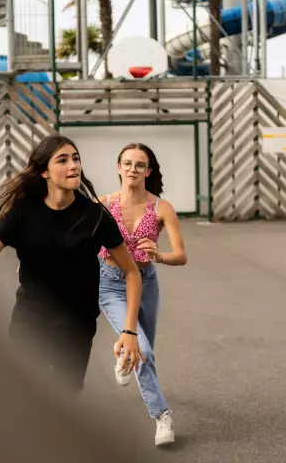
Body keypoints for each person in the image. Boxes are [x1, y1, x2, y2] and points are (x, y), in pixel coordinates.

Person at [0, 135, 144, 392]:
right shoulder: (23, 213)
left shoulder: (96, 217)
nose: (73, 165)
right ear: (44, 172)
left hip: (76, 327)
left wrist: (129, 331)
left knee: (65, 399)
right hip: (30, 322)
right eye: (62, 160)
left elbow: (131, 272)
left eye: (76, 158)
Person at [97, 143, 188, 447]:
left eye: (139, 165)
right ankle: (162, 416)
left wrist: (159, 256)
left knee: (145, 349)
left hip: (147, 283)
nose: (132, 169)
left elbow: (181, 255)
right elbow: (70, 237)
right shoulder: (103, 204)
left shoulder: (161, 207)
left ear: (148, 171)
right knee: (143, 351)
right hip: (110, 283)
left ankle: (124, 352)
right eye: (127, 163)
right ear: (118, 167)